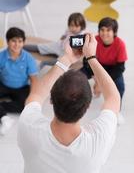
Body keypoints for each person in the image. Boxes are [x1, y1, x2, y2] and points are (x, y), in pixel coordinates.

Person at [18, 34, 120, 173]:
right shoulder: (98, 139)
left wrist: (66, 59)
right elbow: (113, 98)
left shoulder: (29, 126)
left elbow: (36, 94)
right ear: (88, 105)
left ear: (51, 100)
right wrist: (91, 58)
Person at [0, 27, 38, 135]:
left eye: (20, 41)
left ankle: (2, 108)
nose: (17, 45)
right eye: (13, 41)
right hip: (3, 84)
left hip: (21, 87)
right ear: (7, 42)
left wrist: (33, 97)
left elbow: (34, 80)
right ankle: (4, 118)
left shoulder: (29, 58)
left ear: (23, 42)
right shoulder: (1, 56)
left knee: (25, 106)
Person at [81, 17, 127, 103]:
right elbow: (86, 60)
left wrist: (102, 83)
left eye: (108, 30)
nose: (104, 33)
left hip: (113, 68)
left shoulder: (120, 44)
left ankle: (116, 108)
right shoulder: (94, 40)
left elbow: (120, 68)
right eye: (102, 30)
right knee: (77, 77)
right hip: (96, 65)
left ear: (114, 32)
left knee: (120, 86)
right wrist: (96, 78)